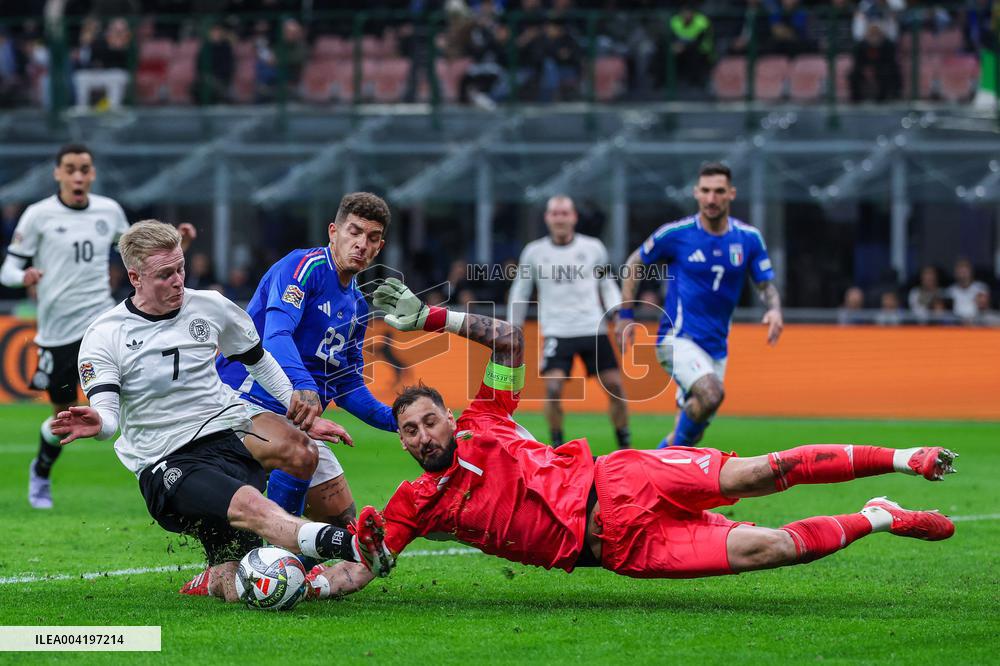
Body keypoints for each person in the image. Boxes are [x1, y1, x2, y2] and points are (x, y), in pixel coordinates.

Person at [300, 276, 956, 599]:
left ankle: (903, 459)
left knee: (760, 473)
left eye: (426, 421)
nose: (418, 436)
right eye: (407, 431)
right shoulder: (417, 501)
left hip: (622, 479)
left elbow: (505, 338)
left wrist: (432, 317)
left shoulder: (486, 420)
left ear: (447, 416)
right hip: (623, 547)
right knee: (770, 549)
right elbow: (369, 562)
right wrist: (322, 582)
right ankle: (877, 517)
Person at [49, 221, 392, 603]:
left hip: (227, 425)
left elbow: (259, 361)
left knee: (302, 450)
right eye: (165, 275)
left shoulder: (210, 306)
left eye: (181, 268)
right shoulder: (104, 334)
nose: (179, 280)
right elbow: (108, 415)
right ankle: (349, 546)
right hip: (168, 458)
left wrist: (303, 417)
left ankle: (247, 563)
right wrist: (99, 423)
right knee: (249, 514)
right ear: (135, 277)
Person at [0, 143, 195, 509]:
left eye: (84, 169)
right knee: (62, 419)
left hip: (103, 325)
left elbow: (142, 248)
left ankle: (167, 474)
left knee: (132, 401)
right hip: (57, 332)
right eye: (71, 169)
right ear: (57, 173)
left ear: (92, 174)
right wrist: (21, 274)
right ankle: (41, 471)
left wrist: (177, 243)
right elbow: (7, 268)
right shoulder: (38, 215)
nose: (78, 176)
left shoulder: (109, 211)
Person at [215, 192, 396, 532]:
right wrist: (305, 385)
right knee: (297, 457)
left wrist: (398, 420)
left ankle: (296, 572)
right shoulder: (303, 267)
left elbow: (346, 383)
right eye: (354, 232)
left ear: (379, 247)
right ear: (333, 231)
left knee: (343, 528)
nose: (361, 244)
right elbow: (276, 335)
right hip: (242, 402)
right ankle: (275, 556)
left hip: (296, 419)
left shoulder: (357, 305)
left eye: (371, 238)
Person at [616, 162, 783, 448]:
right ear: (696, 193)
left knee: (693, 429)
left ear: (731, 194)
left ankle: (655, 469)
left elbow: (766, 285)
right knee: (712, 393)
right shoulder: (677, 234)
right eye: (705, 191)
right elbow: (635, 262)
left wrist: (774, 309)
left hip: (716, 347)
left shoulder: (748, 239)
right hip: (677, 339)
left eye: (719, 191)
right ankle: (653, 470)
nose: (711, 198)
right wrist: (625, 314)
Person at [507, 195, 630, 449]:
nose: (560, 218)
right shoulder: (534, 252)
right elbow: (520, 291)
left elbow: (606, 285)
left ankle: (624, 445)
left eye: (565, 213)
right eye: (555, 213)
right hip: (557, 331)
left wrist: (619, 315)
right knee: (552, 390)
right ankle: (556, 444)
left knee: (616, 386)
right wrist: (513, 327)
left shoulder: (593, 247)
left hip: (592, 327)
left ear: (574, 217)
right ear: (547, 218)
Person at [946, 257, 989, 322]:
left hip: (977, 323)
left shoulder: (980, 288)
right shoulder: (950, 291)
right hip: (955, 324)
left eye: (965, 270)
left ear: (971, 271)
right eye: (960, 270)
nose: (963, 274)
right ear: (955, 273)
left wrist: (982, 304)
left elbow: (985, 308)